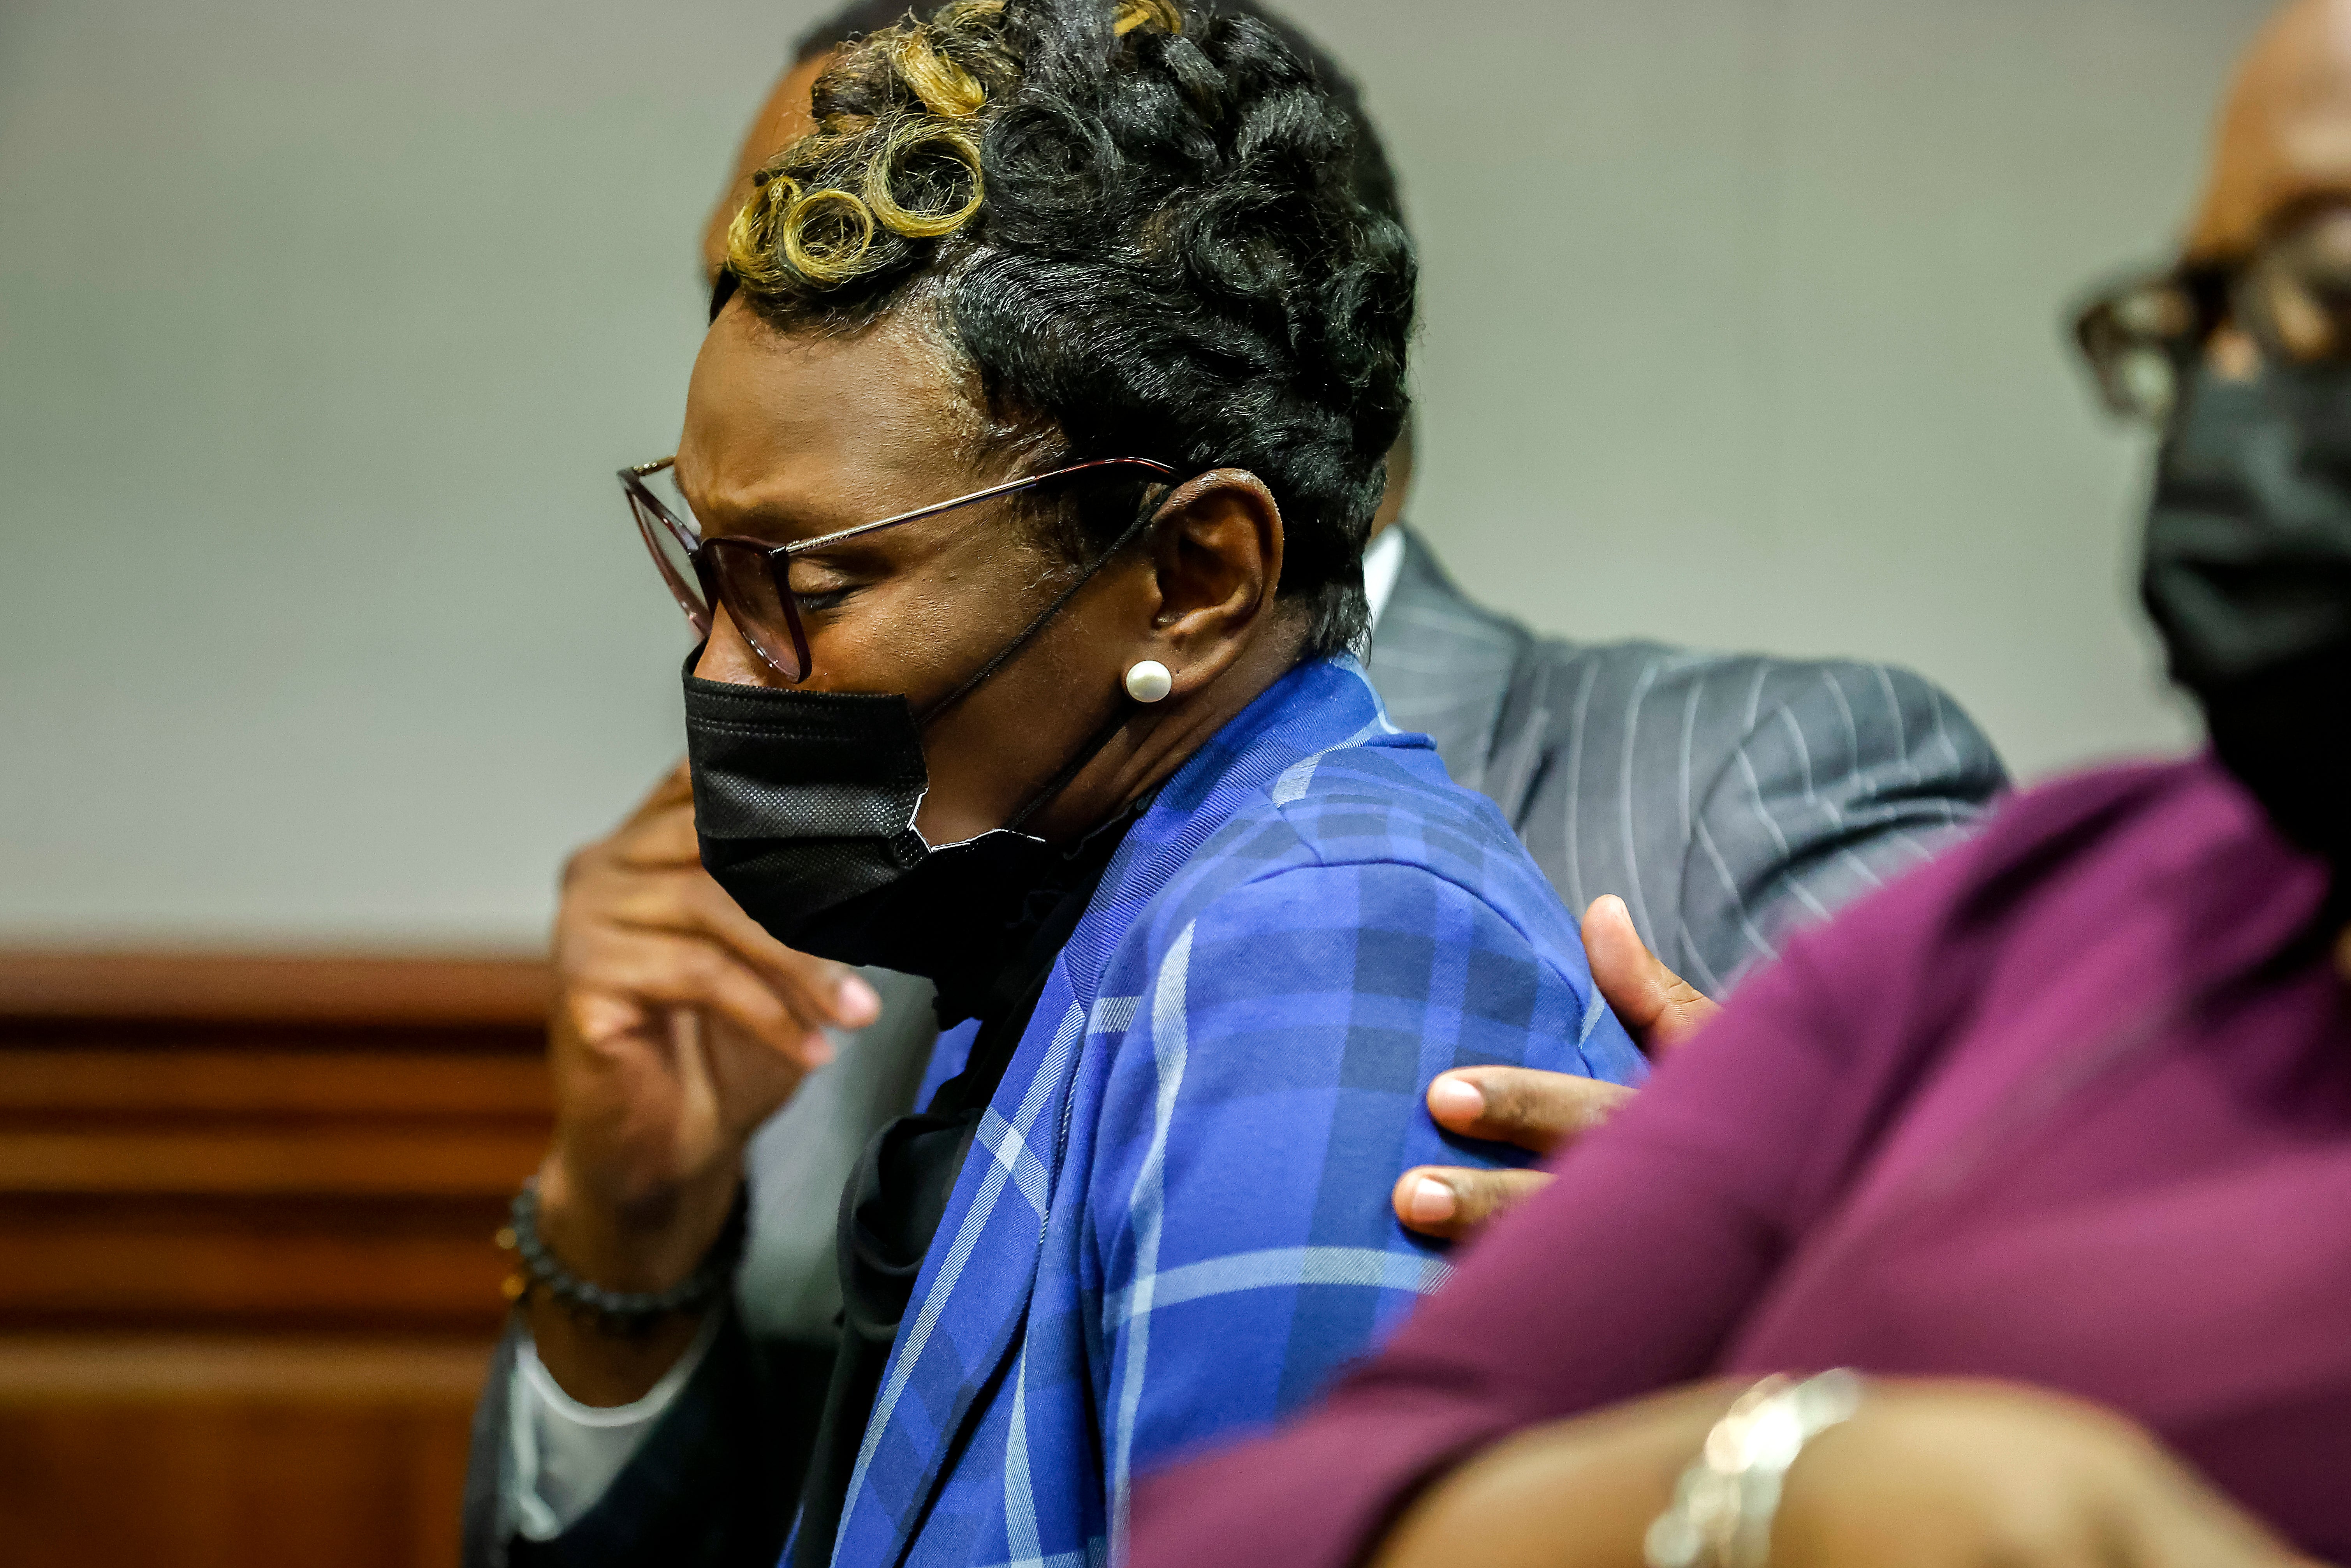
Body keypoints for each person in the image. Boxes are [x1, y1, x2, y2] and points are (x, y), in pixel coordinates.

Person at [461, 2, 2006, 1563]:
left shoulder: (1333, 911)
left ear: (1196, 572)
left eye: (817, 577)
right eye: (704, 567)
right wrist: (625, 1228)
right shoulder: (986, 902)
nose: (725, 674)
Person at [1126, 3, 2351, 1562]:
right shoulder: (2054, 904)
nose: (2233, 402)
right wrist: (1777, 1483)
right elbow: (1248, 1523)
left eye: (2325, 293)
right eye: (2193, 327)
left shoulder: (1761, 786)